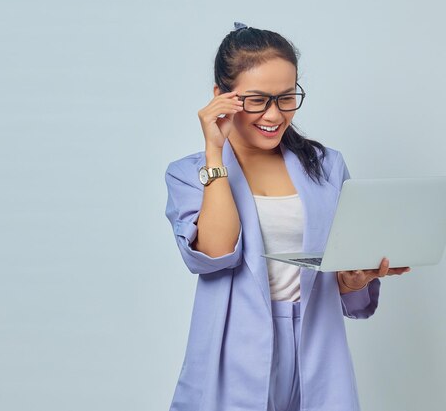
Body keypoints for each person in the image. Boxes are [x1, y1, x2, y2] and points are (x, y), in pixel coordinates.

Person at [164, 22, 411, 411]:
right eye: (258, 100)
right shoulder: (188, 173)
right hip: (233, 349)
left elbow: (342, 278)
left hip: (316, 345)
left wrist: (353, 279)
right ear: (221, 98)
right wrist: (215, 152)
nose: (275, 115)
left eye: (286, 97)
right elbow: (215, 252)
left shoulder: (327, 166)